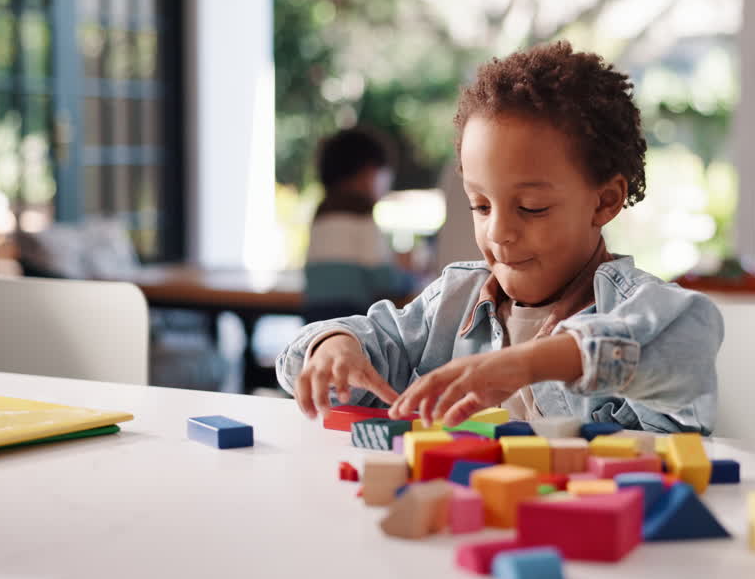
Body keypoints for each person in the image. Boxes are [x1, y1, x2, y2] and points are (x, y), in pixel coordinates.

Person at [277, 42, 723, 433]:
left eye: (531, 208)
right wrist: (333, 348)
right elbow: (345, 349)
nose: (499, 232)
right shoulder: (453, 301)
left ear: (605, 201)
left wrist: (527, 364)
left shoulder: (638, 308)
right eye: (481, 206)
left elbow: (687, 346)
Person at [304, 127, 409, 312]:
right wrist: (408, 277)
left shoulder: (320, 216)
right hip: (353, 324)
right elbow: (384, 281)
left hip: (314, 325)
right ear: (368, 173)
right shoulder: (361, 217)